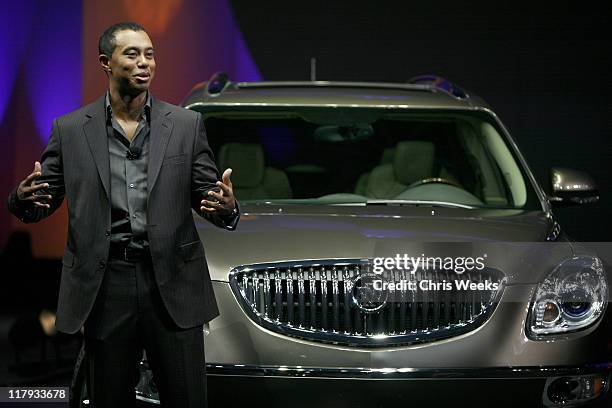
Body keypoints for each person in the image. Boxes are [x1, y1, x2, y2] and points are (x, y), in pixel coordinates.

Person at [7, 21, 239, 407]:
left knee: (186, 397)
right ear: (106, 62)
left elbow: (208, 197)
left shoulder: (185, 125)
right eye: (132, 54)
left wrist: (226, 208)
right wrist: (21, 198)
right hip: (106, 285)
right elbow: (38, 204)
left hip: (172, 283)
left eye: (149, 54)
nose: (144, 62)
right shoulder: (70, 131)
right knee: (108, 397)